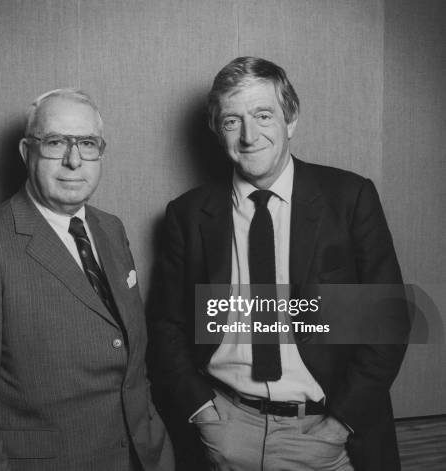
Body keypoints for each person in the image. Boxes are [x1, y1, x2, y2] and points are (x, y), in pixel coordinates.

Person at [149, 57, 408, 470]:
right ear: (218, 132)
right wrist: (202, 413)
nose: (250, 135)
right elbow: (167, 325)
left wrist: (340, 425)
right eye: (232, 121)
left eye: (263, 115)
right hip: (226, 431)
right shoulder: (188, 214)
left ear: (290, 120)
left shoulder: (350, 198)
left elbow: (388, 322)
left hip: (326, 435)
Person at [0, 88, 174, 471]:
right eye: (56, 142)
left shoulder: (110, 229)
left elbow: (128, 355)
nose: (73, 159)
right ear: (26, 150)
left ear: (101, 151)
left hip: (142, 457)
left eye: (87, 143)